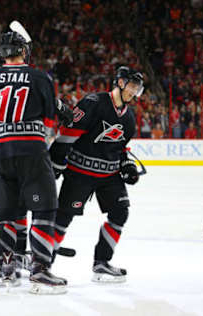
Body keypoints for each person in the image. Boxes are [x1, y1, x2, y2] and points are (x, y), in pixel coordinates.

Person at [0, 31, 67, 294]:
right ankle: (40, 270)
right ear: (23, 51)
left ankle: (6, 267)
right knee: (44, 209)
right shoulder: (40, 77)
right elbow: (51, 124)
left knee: (4, 213)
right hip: (31, 151)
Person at [50, 66, 144, 283]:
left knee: (120, 213)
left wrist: (126, 165)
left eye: (137, 88)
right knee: (63, 217)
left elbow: (120, 149)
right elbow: (68, 132)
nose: (134, 91)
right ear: (120, 83)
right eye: (131, 86)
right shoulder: (94, 102)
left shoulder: (129, 118)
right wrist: (56, 160)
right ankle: (43, 262)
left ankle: (101, 263)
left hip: (109, 175)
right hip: (80, 172)